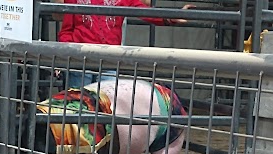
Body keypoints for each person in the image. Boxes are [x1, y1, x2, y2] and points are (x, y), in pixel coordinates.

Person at [57, 0, 195, 88]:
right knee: (77, 106)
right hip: (81, 59)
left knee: (104, 106)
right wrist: (66, 55)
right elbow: (67, 30)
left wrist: (172, 17)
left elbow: (146, 12)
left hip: (107, 59)